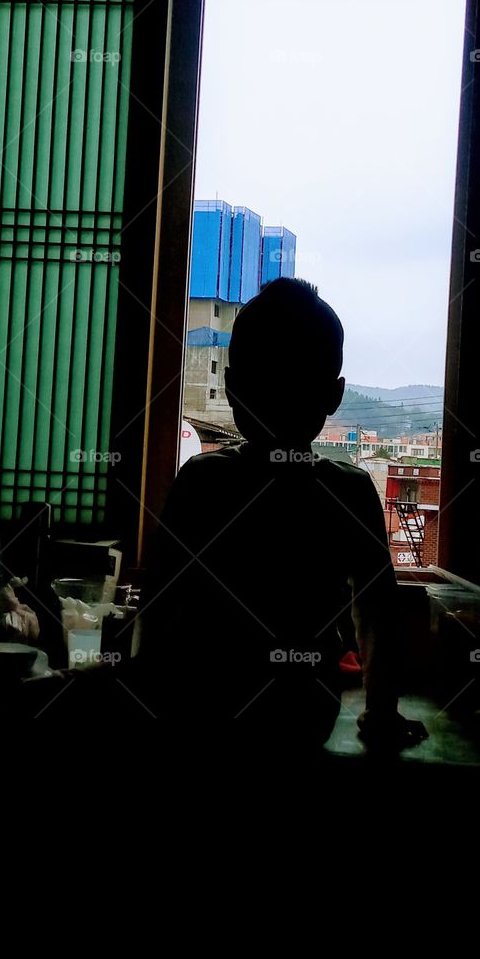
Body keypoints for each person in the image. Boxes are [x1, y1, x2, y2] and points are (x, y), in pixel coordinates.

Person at [136, 277, 427, 751]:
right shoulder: (348, 490)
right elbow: (377, 614)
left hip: (201, 708)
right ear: (334, 396)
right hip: (302, 709)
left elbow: (159, 606)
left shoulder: (202, 480)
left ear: (231, 388)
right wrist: (381, 712)